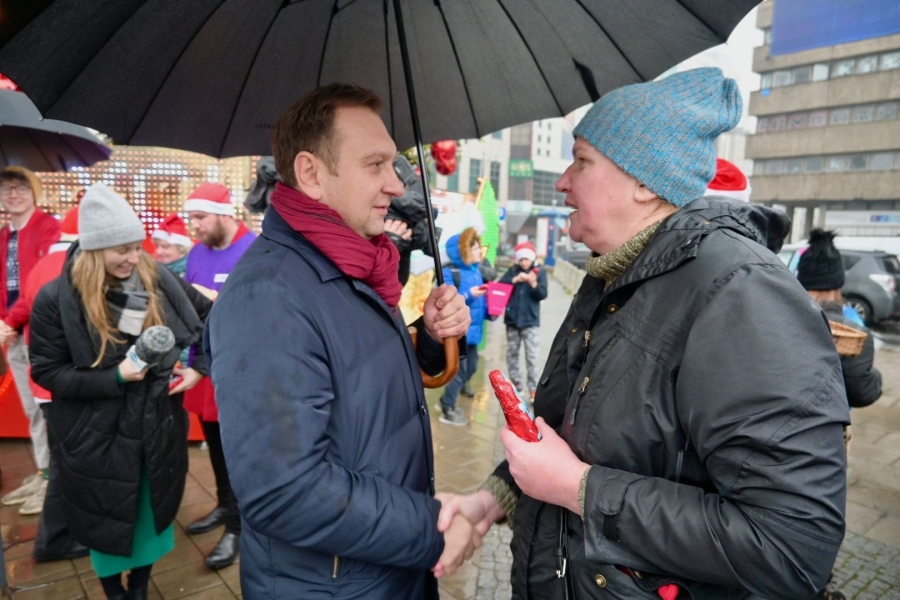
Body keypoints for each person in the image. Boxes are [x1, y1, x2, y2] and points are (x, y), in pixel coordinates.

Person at [437, 68, 849, 599]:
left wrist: (579, 489)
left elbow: (791, 546)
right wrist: (492, 498)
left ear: (644, 183)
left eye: (582, 160)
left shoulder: (742, 292)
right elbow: (573, 442)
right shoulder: (612, 276)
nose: (562, 181)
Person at [205, 83, 476, 599]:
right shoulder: (270, 296)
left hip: (383, 571)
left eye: (393, 164)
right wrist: (431, 527)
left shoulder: (355, 264)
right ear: (311, 174)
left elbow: (359, 375)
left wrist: (427, 337)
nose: (396, 184)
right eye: (375, 165)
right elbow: (284, 491)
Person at [29, 183, 210, 600]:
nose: (134, 257)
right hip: (94, 436)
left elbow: (208, 317)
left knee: (150, 516)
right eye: (122, 250)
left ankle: (140, 589)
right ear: (95, 250)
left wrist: (199, 368)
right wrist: (115, 377)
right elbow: (48, 372)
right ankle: (114, 593)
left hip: (155, 427)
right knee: (105, 521)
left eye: (136, 246)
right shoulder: (55, 299)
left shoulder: (155, 276)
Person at [798, 229, 882, 600]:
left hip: (779, 427)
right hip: (831, 433)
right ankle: (817, 578)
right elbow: (865, 391)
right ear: (837, 283)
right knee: (823, 507)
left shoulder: (783, 310)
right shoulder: (852, 327)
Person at [179, 182, 256, 569]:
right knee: (214, 445)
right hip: (203, 369)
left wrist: (218, 301)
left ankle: (239, 528)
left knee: (239, 452)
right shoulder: (196, 252)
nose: (194, 225)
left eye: (200, 217)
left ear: (225, 215)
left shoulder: (255, 250)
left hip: (242, 373)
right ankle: (225, 506)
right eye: (191, 217)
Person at [20, 207, 89, 561]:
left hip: (45, 384)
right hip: (64, 386)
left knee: (65, 461)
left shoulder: (42, 264)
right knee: (68, 465)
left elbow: (24, 306)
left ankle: (61, 536)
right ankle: (54, 541)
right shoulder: (74, 266)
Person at [0, 166, 61, 515]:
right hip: (13, 335)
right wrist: (3, 323)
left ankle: (55, 482)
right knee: (32, 410)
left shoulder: (49, 228)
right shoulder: (4, 235)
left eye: (21, 187)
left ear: (34, 191)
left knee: (46, 408)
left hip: (39, 333)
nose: (14, 194)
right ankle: (44, 472)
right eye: (7, 188)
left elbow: (41, 283)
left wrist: (9, 321)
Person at [437, 228, 488, 425]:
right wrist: (469, 295)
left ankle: (447, 399)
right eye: (474, 248)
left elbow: (480, 303)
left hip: (474, 332)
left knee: (472, 368)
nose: (478, 251)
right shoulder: (449, 272)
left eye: (478, 247)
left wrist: (490, 312)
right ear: (463, 251)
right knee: (457, 373)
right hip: (458, 332)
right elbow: (446, 302)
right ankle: (448, 407)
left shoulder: (476, 271)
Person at [498, 241, 548, 400]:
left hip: (530, 320)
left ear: (531, 259)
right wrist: (514, 280)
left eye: (526, 259)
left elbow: (542, 294)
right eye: (521, 259)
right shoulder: (513, 271)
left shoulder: (540, 272)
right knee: (512, 354)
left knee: (532, 356)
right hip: (512, 320)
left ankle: (533, 388)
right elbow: (500, 287)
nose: (524, 262)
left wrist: (533, 283)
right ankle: (516, 386)